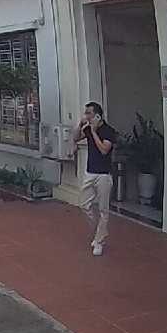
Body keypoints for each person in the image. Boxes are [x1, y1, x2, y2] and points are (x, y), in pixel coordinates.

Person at [73, 102, 119, 256]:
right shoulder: (87, 128)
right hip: (90, 172)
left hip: (104, 174)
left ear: (98, 115)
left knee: (103, 209)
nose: (87, 116)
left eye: (89, 113)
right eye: (86, 113)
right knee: (84, 205)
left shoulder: (108, 131)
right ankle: (99, 232)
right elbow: (75, 138)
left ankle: (99, 241)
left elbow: (104, 150)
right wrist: (80, 125)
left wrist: (94, 132)